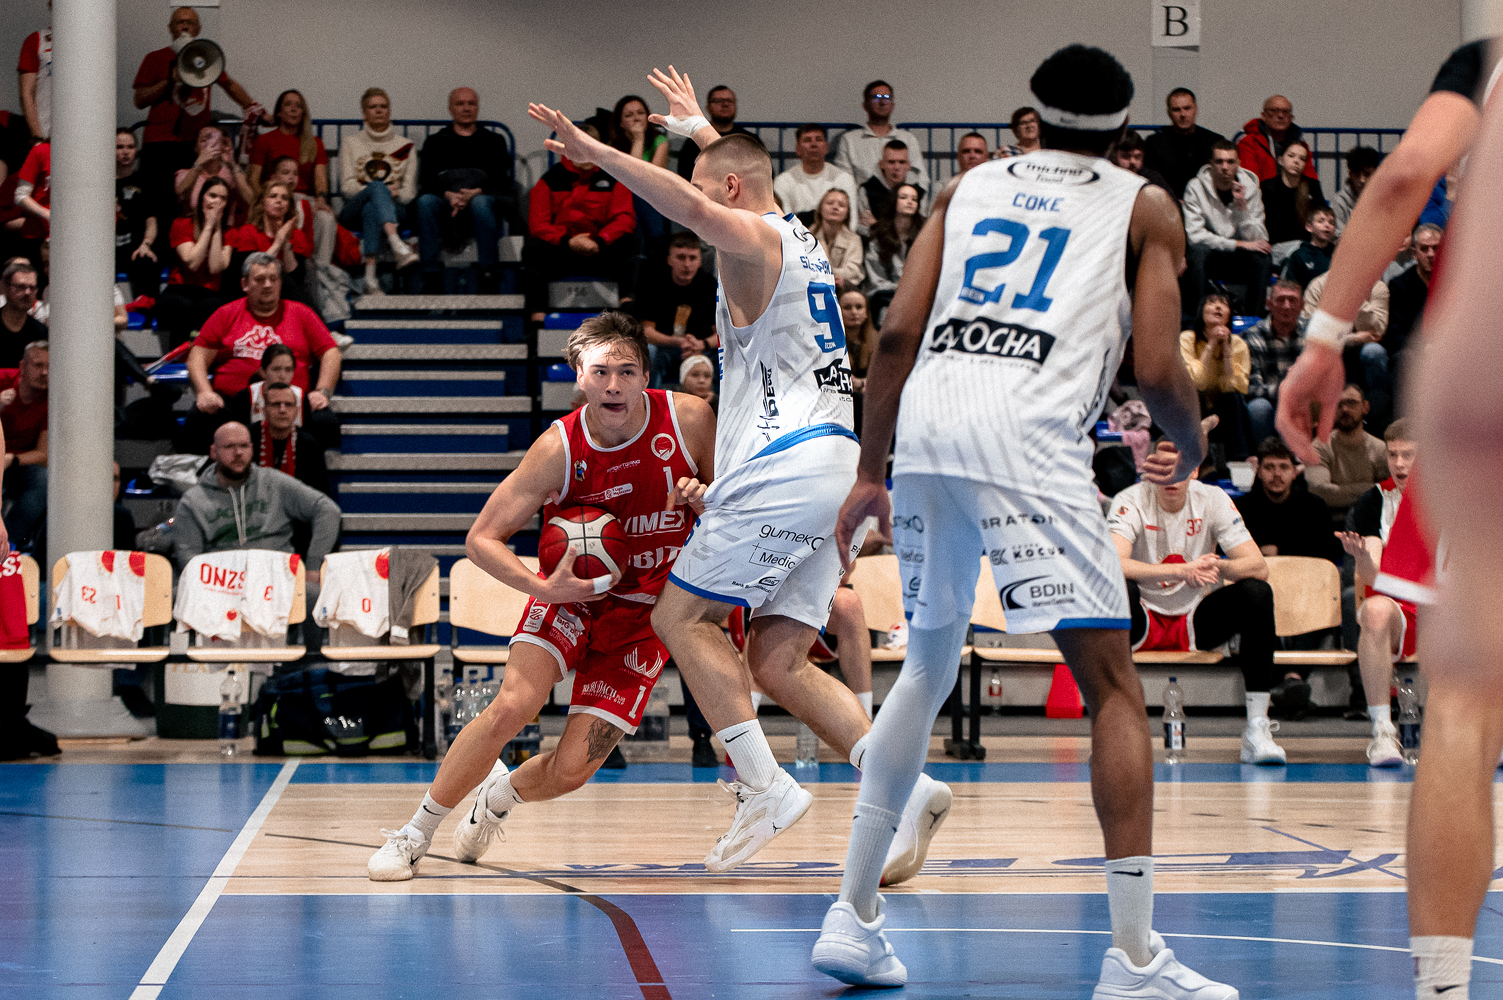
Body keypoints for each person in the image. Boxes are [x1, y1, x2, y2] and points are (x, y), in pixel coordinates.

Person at [816, 43, 1235, 996]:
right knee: (1112, 688)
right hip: (1031, 437)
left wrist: (871, 470)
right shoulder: (1145, 205)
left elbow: (894, 333)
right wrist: (1189, 446)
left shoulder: (965, 186)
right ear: (1124, 131)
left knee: (924, 666)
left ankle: (852, 914)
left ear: (1033, 116)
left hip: (928, 431)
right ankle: (1133, 959)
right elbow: (1158, 367)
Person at [530, 67, 953, 878]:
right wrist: (698, 130)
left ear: (728, 191)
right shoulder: (796, 234)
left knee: (678, 617)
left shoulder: (751, 236)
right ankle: (907, 787)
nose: (698, 204)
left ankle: (762, 785)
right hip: (833, 465)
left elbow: (700, 205)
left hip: (785, 461)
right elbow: (737, 170)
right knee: (776, 660)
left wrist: (598, 152)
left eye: (705, 187)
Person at [367, 313, 717, 880]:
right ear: (579, 376)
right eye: (600, 371)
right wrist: (541, 586)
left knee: (574, 770)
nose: (613, 385)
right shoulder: (559, 447)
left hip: (645, 615)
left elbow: (734, 511)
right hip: (569, 598)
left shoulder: (690, 419)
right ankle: (414, 834)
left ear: (647, 375)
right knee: (513, 704)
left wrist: (708, 504)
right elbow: (481, 539)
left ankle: (496, 798)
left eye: (627, 371)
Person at [1113, 456, 1283, 756]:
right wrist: (1182, 571)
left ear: (1194, 470)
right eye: (1163, 468)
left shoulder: (1213, 498)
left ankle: (1257, 727)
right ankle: (1112, 731)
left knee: (1256, 592)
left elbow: (1258, 567)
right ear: (1150, 469)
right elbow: (1113, 564)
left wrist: (1217, 565)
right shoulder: (1130, 499)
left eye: (1179, 468)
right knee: (1119, 588)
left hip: (1196, 619)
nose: (1171, 477)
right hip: (1141, 618)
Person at [185, 253, 341, 452]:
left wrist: (322, 392)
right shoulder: (225, 314)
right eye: (259, 279)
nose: (267, 285)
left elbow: (331, 352)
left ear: (280, 283)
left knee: (324, 421)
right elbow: (197, 356)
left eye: (273, 279)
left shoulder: (302, 313)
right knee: (200, 416)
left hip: (290, 402)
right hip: (235, 404)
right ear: (244, 284)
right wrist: (205, 392)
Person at [131, 7, 261, 235]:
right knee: (159, 201)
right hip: (159, 143)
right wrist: (170, 80)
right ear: (170, 28)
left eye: (190, 22)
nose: (185, 26)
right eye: (179, 22)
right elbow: (139, 100)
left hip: (194, 143)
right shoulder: (155, 58)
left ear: (199, 29)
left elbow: (230, 85)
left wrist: (254, 109)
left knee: (193, 201)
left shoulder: (206, 57)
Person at [1332, 419, 1417, 768]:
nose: (1399, 463)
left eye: (1408, 455)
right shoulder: (1374, 500)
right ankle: (1383, 731)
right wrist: (1363, 559)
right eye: (1393, 455)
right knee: (1375, 610)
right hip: (1403, 605)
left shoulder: (1456, 496)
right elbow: (1375, 578)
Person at [172, 421, 339, 576]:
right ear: (213, 452)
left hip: (279, 578)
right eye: (229, 446)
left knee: (326, 594)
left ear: (251, 449)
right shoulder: (193, 501)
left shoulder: (274, 482)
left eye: (244, 446)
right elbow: (189, 561)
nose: (238, 453)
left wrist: (313, 567)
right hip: (222, 584)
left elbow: (328, 510)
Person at [521, 124, 637, 321]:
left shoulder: (614, 177)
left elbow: (624, 218)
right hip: (563, 251)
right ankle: (537, 317)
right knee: (533, 248)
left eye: (589, 146)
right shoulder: (549, 180)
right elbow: (538, 224)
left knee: (631, 242)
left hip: (601, 250)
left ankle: (627, 308)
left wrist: (600, 240)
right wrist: (568, 241)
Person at [416, 87, 515, 293]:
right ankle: (431, 276)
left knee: (481, 203)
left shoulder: (494, 141)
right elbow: (426, 179)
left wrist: (475, 193)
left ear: (477, 107)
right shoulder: (435, 141)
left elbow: (500, 178)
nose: (466, 108)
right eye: (460, 104)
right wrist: (448, 195)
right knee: (425, 202)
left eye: (471, 103)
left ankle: (489, 275)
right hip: (445, 202)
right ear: (450, 109)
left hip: (482, 199)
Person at [338, 88, 421, 293]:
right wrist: (382, 191)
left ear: (389, 111)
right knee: (376, 187)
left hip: (395, 209)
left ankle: (370, 278)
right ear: (364, 113)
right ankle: (397, 243)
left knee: (372, 209)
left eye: (383, 106)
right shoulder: (351, 143)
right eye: (373, 107)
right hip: (353, 210)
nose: (379, 110)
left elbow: (409, 193)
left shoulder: (405, 146)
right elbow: (347, 188)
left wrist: (388, 195)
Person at [1181, 140, 1272, 315]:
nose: (1225, 167)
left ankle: (1253, 319)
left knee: (1262, 256)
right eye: (1219, 161)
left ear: (1238, 164)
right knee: (1197, 253)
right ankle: (1198, 319)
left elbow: (1259, 238)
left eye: (1230, 162)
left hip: (1239, 256)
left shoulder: (1251, 189)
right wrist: (1237, 244)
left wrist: (1242, 209)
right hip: (1212, 252)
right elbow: (1195, 236)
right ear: (1210, 164)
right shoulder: (1196, 187)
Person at [629, 232, 717, 387]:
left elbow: (722, 334)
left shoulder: (709, 285)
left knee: (730, 352)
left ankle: (715, 401)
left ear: (700, 261)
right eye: (681, 257)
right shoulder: (654, 283)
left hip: (701, 348)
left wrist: (702, 344)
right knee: (648, 351)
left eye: (692, 258)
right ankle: (649, 398)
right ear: (669, 260)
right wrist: (677, 342)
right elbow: (647, 332)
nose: (687, 264)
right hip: (665, 347)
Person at [1237, 436, 1340, 563]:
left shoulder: (1314, 507)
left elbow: (1329, 551)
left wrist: (1280, 551)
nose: (1277, 474)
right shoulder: (1241, 509)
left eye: (1284, 467)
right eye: (1269, 467)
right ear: (1258, 472)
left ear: (1294, 472)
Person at [156, 176, 232, 347]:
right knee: (183, 307)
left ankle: (205, 358)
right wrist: (208, 227)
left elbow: (215, 267)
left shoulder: (229, 233)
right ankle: (178, 358)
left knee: (214, 307)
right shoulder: (181, 224)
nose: (217, 202)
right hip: (179, 290)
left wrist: (216, 229)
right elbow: (193, 263)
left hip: (209, 293)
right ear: (201, 198)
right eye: (212, 196)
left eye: (223, 198)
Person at [1181, 292, 1254, 463]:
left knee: (1234, 398)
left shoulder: (1238, 344)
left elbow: (1237, 386)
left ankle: (1239, 461)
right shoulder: (1186, 339)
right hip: (1194, 403)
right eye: (1212, 303)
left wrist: (1226, 349)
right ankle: (1196, 460)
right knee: (1195, 395)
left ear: (1229, 315)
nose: (1218, 307)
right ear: (1201, 311)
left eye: (1224, 304)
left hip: (1224, 407)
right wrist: (1211, 344)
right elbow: (1195, 381)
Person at [1306, 384, 1388, 518]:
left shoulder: (1380, 448)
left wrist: (1338, 492)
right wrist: (1372, 488)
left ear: (1365, 407)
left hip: (1368, 521)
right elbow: (1319, 492)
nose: (1344, 409)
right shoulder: (1319, 446)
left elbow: (1387, 492)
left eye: (1352, 403)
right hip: (1329, 523)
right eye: (1338, 405)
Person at [1243, 279, 1307, 445]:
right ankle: (1265, 456)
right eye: (1280, 300)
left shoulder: (1312, 335)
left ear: (1302, 305)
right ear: (1268, 304)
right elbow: (1250, 387)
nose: (1286, 306)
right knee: (1258, 408)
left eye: (1292, 300)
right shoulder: (1252, 336)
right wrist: (1282, 390)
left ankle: (1314, 456)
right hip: (1269, 399)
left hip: (1304, 399)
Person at [227, 179, 313, 302]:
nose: (279, 201)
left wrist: (285, 242)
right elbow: (250, 275)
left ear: (289, 205)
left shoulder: (297, 236)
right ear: (262, 203)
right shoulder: (248, 232)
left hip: (286, 295)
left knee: (285, 279)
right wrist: (277, 243)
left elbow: (296, 279)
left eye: (284, 198)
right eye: (273, 196)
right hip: (252, 294)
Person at [832, 81, 929, 189]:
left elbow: (921, 179)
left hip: (902, 198)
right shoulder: (849, 140)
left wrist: (912, 198)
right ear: (865, 105)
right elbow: (843, 180)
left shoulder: (908, 139)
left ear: (892, 106)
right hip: (864, 199)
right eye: (876, 97)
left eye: (886, 97)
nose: (882, 102)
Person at [0, 341, 47, 554]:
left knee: (44, 480)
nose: (44, 372)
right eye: (38, 365)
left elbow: (43, 454)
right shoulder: (2, 379)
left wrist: (11, 459)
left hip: (17, 464)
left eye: (49, 366)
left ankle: (7, 545)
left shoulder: (53, 398)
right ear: (22, 366)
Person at [609, 94, 671, 253]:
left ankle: (650, 251)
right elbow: (630, 182)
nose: (636, 118)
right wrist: (637, 140)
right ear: (621, 123)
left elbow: (651, 181)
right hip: (621, 202)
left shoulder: (660, 142)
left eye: (640, 113)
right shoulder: (612, 148)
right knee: (632, 197)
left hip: (651, 199)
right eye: (629, 115)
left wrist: (639, 139)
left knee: (644, 197)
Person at [251, 381, 332, 500]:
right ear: (264, 410)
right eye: (276, 404)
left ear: (296, 411)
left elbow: (320, 495)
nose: (282, 410)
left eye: (288, 405)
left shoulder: (309, 445)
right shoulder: (248, 439)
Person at [246, 90, 329, 205]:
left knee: (325, 215)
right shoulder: (264, 140)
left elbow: (321, 181)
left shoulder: (315, 142)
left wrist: (321, 199)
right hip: (274, 198)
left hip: (304, 200)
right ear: (279, 112)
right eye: (288, 104)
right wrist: (266, 201)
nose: (293, 109)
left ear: (303, 113)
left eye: (298, 106)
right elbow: (253, 180)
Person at [1144, 87, 1227, 200]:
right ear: (1169, 113)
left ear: (1195, 110)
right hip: (1167, 204)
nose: (1183, 114)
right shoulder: (1154, 144)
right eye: (1176, 110)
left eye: (1187, 108)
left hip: (1207, 205)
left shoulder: (1215, 142)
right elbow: (1152, 182)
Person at [772, 124, 859, 223]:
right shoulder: (783, 181)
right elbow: (785, 221)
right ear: (798, 149)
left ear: (826, 147)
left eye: (819, 139)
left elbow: (852, 221)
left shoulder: (844, 178)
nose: (814, 144)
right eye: (807, 140)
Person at [1261, 141, 1327, 265]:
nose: (1296, 161)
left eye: (1302, 159)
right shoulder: (1268, 188)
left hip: (1307, 246)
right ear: (1281, 160)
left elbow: (1322, 217)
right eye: (1291, 156)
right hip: (1277, 247)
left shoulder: (1312, 186)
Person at [172, 125, 254, 220]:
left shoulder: (232, 173)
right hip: (195, 226)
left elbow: (252, 201)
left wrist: (232, 163)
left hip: (225, 227)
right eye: (204, 140)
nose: (209, 144)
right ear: (196, 148)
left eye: (216, 140)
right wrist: (198, 163)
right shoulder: (185, 173)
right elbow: (180, 193)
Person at [115, 129, 160, 300]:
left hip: (135, 247)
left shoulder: (145, 182)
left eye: (130, 147)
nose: (125, 152)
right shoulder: (101, 183)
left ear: (136, 150)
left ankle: (147, 309)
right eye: (120, 147)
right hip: (106, 249)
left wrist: (146, 244)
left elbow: (151, 223)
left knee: (146, 260)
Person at [674, 83, 751, 182]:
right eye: (718, 101)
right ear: (708, 108)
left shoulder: (749, 140)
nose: (725, 104)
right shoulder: (694, 141)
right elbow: (685, 176)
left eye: (730, 101)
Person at [1237, 95, 1320, 184]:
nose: (1280, 115)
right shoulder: (1249, 143)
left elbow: (1311, 182)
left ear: (1291, 118)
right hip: (1260, 192)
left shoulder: (1301, 146)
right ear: (1263, 116)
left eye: (1285, 112)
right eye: (1273, 111)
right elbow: (1250, 182)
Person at [863, 183, 923, 305]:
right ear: (894, 201)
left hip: (918, 298)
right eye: (903, 197)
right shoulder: (879, 237)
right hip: (885, 298)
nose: (910, 202)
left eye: (914, 199)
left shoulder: (923, 236)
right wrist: (900, 287)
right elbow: (876, 282)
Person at [808, 189, 863, 291]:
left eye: (841, 205)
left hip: (843, 289)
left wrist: (831, 275)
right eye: (830, 203)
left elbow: (853, 270)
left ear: (847, 212)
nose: (835, 207)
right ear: (820, 208)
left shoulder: (854, 239)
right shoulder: (807, 236)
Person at [0, 261, 46, 368]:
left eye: (32, 288)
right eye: (21, 287)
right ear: (5, 288)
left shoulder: (41, 334)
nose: (27, 292)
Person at [1282, 204, 1337, 290]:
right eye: (1321, 221)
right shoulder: (1299, 256)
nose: (1327, 225)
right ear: (1309, 227)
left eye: (1331, 223)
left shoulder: (1339, 253)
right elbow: (1292, 286)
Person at [1332, 146, 1381, 240]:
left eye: (1367, 174)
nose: (1362, 180)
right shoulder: (1339, 201)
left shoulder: (1383, 199)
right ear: (1350, 174)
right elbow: (1339, 238)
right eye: (1357, 174)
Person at [17, 18, 51, 143]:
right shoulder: (37, 40)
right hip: (47, 134)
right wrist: (38, 136)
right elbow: (27, 92)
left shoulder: (92, 40)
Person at [1108, 131, 1173, 195]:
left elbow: (1171, 200)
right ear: (1114, 156)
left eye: (1137, 157)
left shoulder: (1152, 178)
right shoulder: (1108, 178)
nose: (1132, 162)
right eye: (1126, 156)